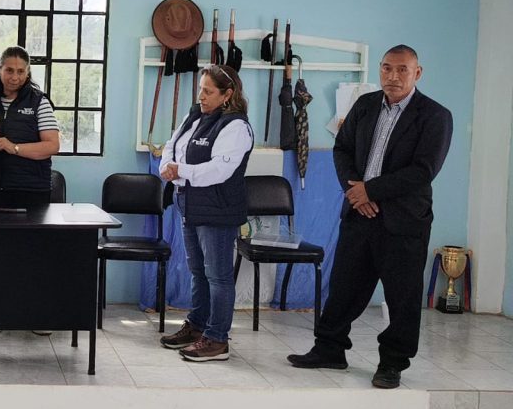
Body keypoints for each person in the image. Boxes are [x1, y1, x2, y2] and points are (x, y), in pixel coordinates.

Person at [288, 45, 452, 388]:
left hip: (403, 221)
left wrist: (370, 191)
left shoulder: (435, 116)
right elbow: (342, 150)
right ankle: (329, 349)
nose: (393, 76)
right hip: (359, 214)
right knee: (344, 287)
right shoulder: (364, 105)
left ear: (417, 73)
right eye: (387, 68)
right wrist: (355, 192)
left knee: (402, 296)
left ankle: (392, 363)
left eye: (402, 69)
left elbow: (423, 170)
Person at [158, 64, 253, 362]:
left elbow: (219, 170)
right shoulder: (195, 115)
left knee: (218, 276)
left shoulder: (236, 127)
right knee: (197, 271)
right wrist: (167, 166)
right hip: (188, 203)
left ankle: (217, 339)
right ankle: (197, 326)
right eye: (200, 89)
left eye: (208, 91)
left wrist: (180, 170)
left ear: (228, 94)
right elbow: (172, 145)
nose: (201, 96)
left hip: (218, 209)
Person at [0, 46, 61, 336]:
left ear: (28, 72)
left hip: (31, 190)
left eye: (21, 71)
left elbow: (51, 145)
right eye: (9, 70)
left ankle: (38, 316)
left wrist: (14, 148)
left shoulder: (39, 102)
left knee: (33, 254)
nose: (14, 76)